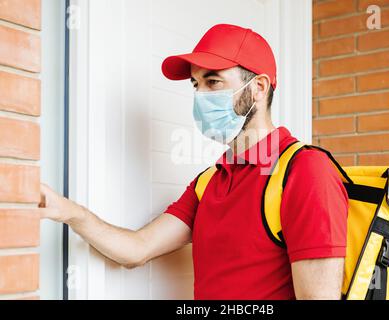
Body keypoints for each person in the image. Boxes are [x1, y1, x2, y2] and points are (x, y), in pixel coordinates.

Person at [40, 24, 349, 300]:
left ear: (258, 88)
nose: (200, 96)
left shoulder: (305, 171)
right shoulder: (210, 181)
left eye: (213, 82)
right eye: (195, 84)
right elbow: (136, 249)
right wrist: (70, 212)